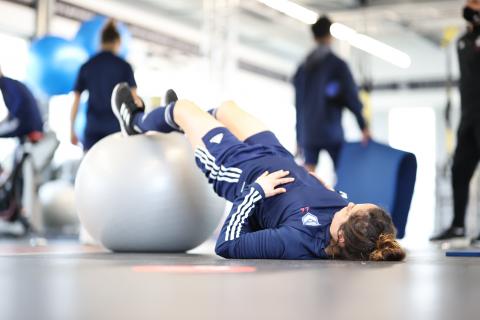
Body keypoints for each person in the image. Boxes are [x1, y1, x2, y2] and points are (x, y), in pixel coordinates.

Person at [111, 82, 405, 261]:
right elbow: (327, 197)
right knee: (227, 108)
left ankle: (135, 121)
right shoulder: (350, 222)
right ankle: (178, 122)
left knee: (184, 108)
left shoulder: (297, 240)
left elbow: (227, 245)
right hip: (277, 155)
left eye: (350, 210)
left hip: (237, 168)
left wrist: (256, 193)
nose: (348, 203)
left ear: (341, 239)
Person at [293, 15, 370, 172]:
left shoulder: (302, 69)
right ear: (330, 36)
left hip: (309, 134)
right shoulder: (338, 66)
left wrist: (299, 137)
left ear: (313, 37)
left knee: (308, 176)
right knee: (342, 174)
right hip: (331, 133)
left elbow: (298, 105)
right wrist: (364, 126)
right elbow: (352, 97)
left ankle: (308, 197)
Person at [431, 0, 480, 243]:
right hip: (469, 116)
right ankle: (458, 225)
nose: (471, 7)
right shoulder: (463, 41)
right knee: (459, 170)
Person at [71, 19, 141, 151]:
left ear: (101, 42)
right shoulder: (124, 66)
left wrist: (71, 130)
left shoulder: (87, 66)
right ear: (117, 43)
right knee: (115, 169)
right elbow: (134, 100)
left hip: (93, 128)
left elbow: (76, 100)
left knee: (90, 169)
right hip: (116, 129)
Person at [0, 66, 43, 141]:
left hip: (28, 125)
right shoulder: (10, 83)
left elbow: (18, 102)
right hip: (32, 123)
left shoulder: (6, 84)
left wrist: (10, 118)